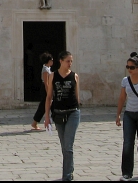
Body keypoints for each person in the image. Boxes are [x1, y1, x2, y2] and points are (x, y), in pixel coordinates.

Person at [44, 51, 80, 182]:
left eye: (71, 61)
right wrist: (47, 117)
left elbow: (77, 96)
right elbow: (49, 97)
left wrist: (77, 109)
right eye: (68, 61)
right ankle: (68, 171)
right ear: (61, 61)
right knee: (64, 145)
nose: (70, 63)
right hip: (58, 113)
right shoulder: (52, 76)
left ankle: (67, 176)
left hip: (73, 112)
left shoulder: (74, 76)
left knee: (68, 145)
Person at [31, 52, 54, 130]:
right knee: (43, 106)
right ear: (48, 61)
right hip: (45, 89)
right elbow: (46, 82)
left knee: (48, 106)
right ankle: (35, 122)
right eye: (51, 60)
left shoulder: (48, 68)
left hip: (48, 88)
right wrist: (49, 93)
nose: (52, 61)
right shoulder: (45, 69)